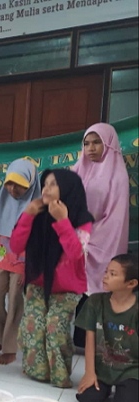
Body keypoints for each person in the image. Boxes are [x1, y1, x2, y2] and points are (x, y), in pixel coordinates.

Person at [10, 169, 93, 388]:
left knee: (55, 327)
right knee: (34, 325)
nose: (46, 189)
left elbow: (76, 254)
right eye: (44, 184)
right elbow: (16, 247)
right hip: (37, 281)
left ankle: (60, 376)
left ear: (67, 189)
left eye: (53, 184)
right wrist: (27, 214)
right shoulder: (35, 212)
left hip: (67, 288)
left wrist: (63, 221)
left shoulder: (81, 218)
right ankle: (37, 372)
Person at [72, 123, 130, 348]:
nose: (91, 148)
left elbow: (104, 214)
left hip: (105, 240)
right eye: (86, 143)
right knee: (77, 289)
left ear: (108, 143)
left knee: (96, 291)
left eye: (97, 142)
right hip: (78, 239)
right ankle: (79, 337)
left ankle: (87, 340)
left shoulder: (117, 176)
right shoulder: (78, 169)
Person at [0, 159, 41, 365]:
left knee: (16, 303)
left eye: (19, 185)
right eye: (9, 183)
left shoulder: (36, 207)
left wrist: (30, 269)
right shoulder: (3, 200)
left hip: (22, 262)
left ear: (30, 184)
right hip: (1, 258)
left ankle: (9, 349)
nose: (13, 189)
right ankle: (2, 338)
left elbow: (37, 243)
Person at [75, 254, 138, 402]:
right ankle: (106, 386)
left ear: (131, 283)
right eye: (106, 272)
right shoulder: (95, 302)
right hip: (103, 368)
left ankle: (125, 388)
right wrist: (90, 372)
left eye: (113, 274)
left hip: (131, 370)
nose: (105, 277)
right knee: (87, 398)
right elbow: (90, 339)